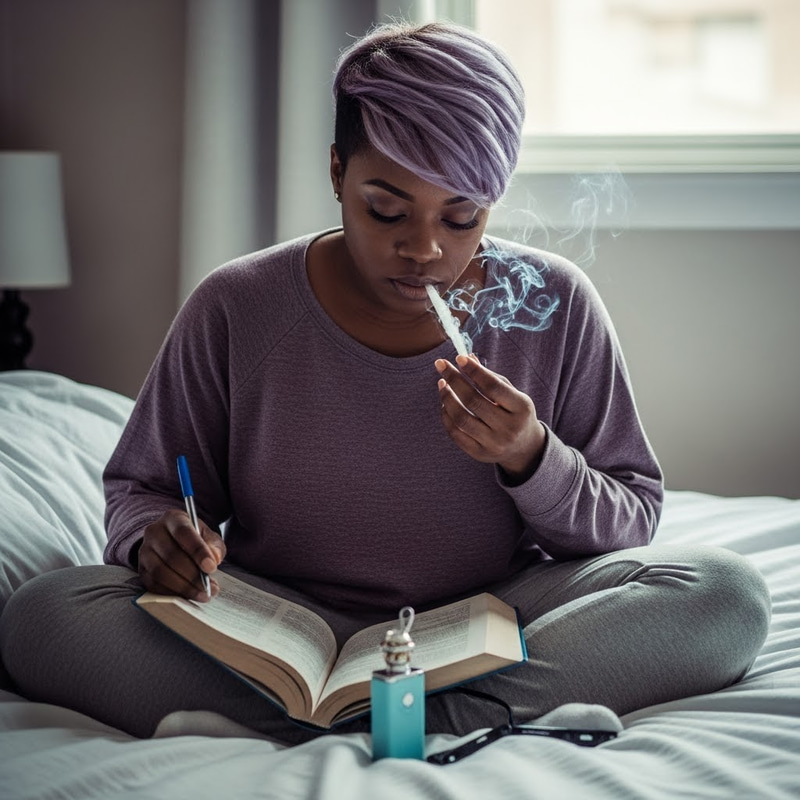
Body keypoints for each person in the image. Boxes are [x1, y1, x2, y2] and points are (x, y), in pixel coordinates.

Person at [0, 21, 770, 744]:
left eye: (462, 218)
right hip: (279, 620)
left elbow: (632, 519)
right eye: (386, 210)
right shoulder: (238, 306)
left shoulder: (554, 304)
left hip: (490, 620)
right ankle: (410, 717)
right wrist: (155, 541)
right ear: (338, 173)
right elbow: (142, 488)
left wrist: (532, 457)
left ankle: (355, 720)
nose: (426, 249)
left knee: (726, 593)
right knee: (44, 615)